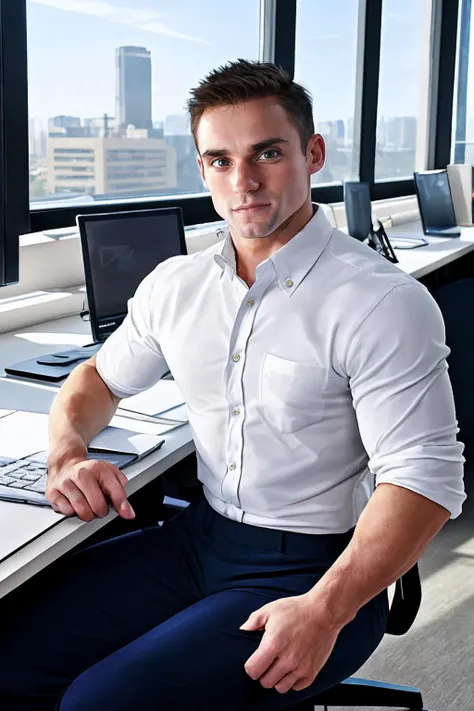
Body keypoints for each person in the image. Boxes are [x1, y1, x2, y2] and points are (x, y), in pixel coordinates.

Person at [0, 60, 465, 711]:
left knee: (101, 701)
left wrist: (324, 610)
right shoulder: (176, 285)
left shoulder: (380, 301)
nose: (242, 181)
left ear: (312, 153)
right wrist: (67, 451)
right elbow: (97, 381)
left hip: (322, 569)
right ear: (202, 170)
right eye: (219, 159)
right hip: (200, 542)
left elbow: (424, 481)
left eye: (267, 153)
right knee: (10, 651)